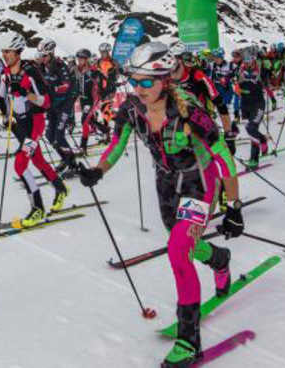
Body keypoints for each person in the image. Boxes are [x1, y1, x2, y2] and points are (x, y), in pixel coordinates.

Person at [78, 42, 243, 367]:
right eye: (134, 80)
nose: (139, 88)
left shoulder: (188, 109)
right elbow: (117, 143)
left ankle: (188, 341)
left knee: (178, 250)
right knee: (183, 244)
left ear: (166, 79)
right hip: (166, 183)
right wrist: (98, 170)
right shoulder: (130, 108)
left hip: (198, 180)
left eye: (147, 81)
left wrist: (234, 206)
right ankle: (219, 258)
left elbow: (222, 155)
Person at [0, 35, 69, 227]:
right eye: (3, 52)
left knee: (20, 164)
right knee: (38, 160)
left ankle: (38, 208)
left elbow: (45, 101)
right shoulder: (6, 72)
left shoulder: (30, 72)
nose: (5, 55)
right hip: (20, 124)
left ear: (18, 52)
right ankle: (60, 188)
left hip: (36, 123)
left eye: (8, 51)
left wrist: (25, 93)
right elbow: (0, 97)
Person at [36, 39, 79, 172]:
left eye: (44, 55)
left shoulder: (60, 65)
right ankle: (65, 158)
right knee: (49, 135)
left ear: (51, 53)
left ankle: (72, 164)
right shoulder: (42, 67)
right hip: (53, 106)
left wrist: (52, 89)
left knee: (59, 136)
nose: (41, 58)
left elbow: (66, 85)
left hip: (64, 105)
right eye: (40, 55)